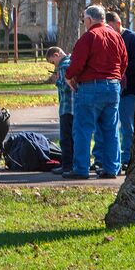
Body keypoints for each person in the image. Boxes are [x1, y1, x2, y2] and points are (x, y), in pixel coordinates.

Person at [64, 4, 128, 180]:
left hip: (90, 86)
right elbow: (124, 62)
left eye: (84, 19)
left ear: (90, 19)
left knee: (83, 129)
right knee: (111, 130)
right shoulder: (117, 37)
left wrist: (69, 77)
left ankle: (81, 168)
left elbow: (77, 62)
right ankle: (112, 168)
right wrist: (116, 78)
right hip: (113, 85)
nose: (84, 22)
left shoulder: (89, 37)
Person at [106, 11, 135, 172]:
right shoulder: (108, 39)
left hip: (129, 89)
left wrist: (122, 72)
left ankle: (127, 156)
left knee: (127, 125)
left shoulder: (132, 38)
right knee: (110, 125)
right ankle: (112, 157)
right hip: (113, 88)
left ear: (117, 24)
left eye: (110, 27)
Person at [45, 46, 74, 175]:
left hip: (67, 106)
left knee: (65, 138)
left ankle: (67, 165)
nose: (53, 65)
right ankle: (74, 163)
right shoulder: (71, 61)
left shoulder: (63, 66)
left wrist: (57, 81)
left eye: (52, 61)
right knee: (74, 137)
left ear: (56, 55)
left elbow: (66, 87)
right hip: (75, 107)